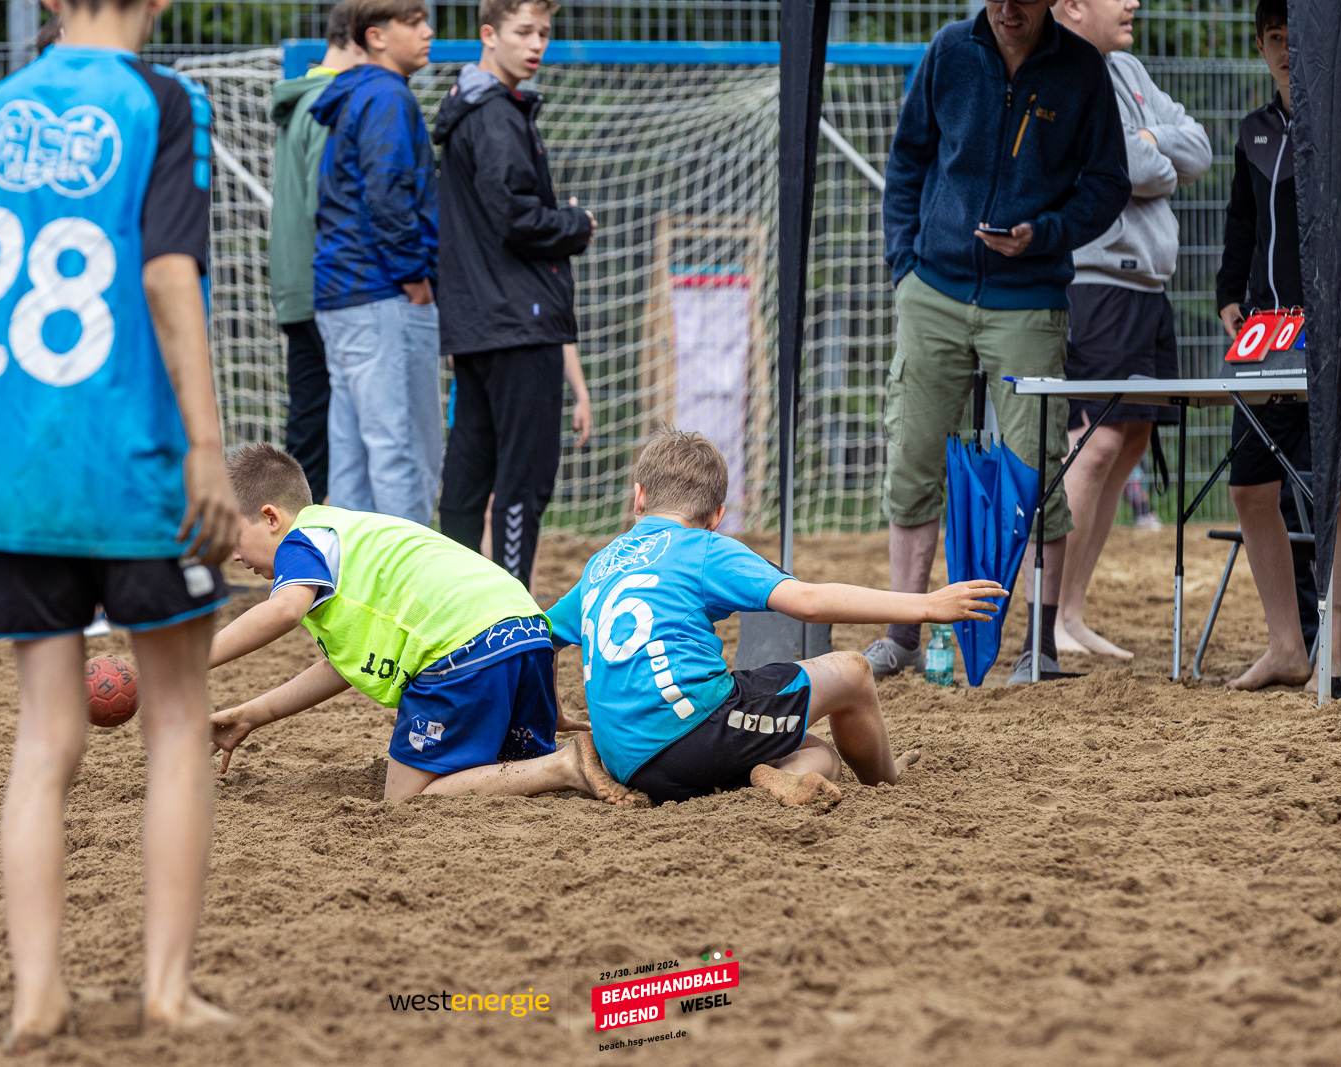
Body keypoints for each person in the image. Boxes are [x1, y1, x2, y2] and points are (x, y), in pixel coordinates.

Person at [0, 0, 241, 1046]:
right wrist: (207, 444)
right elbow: (167, 272)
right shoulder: (162, 101)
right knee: (177, 722)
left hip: (16, 479)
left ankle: (36, 993)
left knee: (44, 738)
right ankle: (165, 988)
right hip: (133, 468)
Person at [871, 0, 1131, 685]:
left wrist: (1042, 235)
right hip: (933, 288)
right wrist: (905, 264)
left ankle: (1037, 646)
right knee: (913, 455)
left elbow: (1108, 185)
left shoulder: (1082, 72)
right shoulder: (948, 52)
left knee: (1036, 469)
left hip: (1031, 300)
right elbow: (907, 161)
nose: (1010, 9)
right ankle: (903, 632)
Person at [545, 429, 1006, 806]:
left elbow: (544, 635)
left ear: (638, 497)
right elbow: (807, 601)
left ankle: (778, 773)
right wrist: (927, 605)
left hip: (627, 761)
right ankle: (886, 780)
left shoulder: (600, 562)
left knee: (819, 754)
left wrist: (556, 713)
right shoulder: (703, 548)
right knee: (852, 672)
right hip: (689, 736)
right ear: (717, 516)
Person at [205, 443, 633, 805]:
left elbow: (282, 611)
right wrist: (250, 715)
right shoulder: (349, 540)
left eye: (233, 535)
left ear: (271, 517)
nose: (234, 556)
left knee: (407, 798)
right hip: (526, 637)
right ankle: (561, 764)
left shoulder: (304, 539)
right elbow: (340, 669)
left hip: (465, 649)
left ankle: (567, 764)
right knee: (511, 770)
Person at [1215, 0, 1341, 691]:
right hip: (1266, 336)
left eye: (1294, 37)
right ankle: (1288, 643)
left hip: (1339, 335)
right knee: (1250, 487)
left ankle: (1336, 644)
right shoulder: (1253, 131)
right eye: (1274, 39)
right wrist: (1228, 300)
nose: (1285, 50)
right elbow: (1239, 226)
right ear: (1260, 45)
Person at [1050, 0, 1210, 661]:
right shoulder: (1062, 67)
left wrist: (1146, 147)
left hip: (1148, 286)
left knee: (1132, 439)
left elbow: (1194, 146)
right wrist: (1147, 153)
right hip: (1097, 282)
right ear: (1071, 6)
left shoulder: (1127, 65)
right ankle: (1049, 617)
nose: (1133, 2)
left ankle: (1074, 612)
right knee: (1095, 438)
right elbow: (1130, 169)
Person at [432, 0, 595, 588]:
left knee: (468, 476)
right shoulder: (496, 115)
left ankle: (451, 603)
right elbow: (516, 216)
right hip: (518, 323)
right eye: (523, 31)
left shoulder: (469, 112)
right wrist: (577, 224)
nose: (536, 44)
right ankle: (508, 612)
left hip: (478, 324)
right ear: (488, 34)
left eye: (545, 33)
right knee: (523, 481)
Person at [308, 0, 441, 523]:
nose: (428, 32)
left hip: (343, 297)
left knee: (354, 463)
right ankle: (407, 595)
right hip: (381, 294)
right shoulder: (386, 96)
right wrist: (414, 279)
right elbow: (387, 192)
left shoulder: (355, 94)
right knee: (402, 455)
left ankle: (348, 591)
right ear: (377, 36)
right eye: (414, 22)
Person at [270, 1, 363, 500]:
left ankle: (292, 553)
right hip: (329, 287)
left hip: (295, 281)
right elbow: (324, 205)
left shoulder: (303, 93)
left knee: (311, 422)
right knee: (336, 433)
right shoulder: (332, 100)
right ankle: (300, 555)